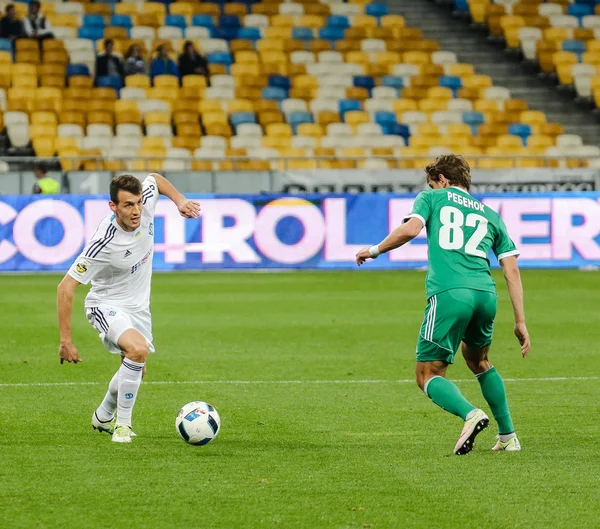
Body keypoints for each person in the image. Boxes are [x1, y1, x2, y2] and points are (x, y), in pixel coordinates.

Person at [356, 154, 531, 455]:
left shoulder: (433, 199)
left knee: (427, 374)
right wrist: (520, 321)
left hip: (450, 293)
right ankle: (508, 436)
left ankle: (470, 414)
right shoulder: (490, 214)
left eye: (433, 183)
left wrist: (374, 250)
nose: (432, 188)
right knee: (478, 360)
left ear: (443, 180)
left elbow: (410, 230)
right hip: (485, 296)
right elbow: (511, 269)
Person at [57, 173, 201, 443]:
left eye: (137, 204)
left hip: (138, 308)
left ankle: (103, 415)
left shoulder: (143, 202)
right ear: (113, 207)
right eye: (127, 205)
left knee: (136, 366)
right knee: (137, 350)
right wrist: (66, 340)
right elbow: (65, 287)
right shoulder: (103, 242)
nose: (136, 211)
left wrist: (179, 200)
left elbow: (155, 179)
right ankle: (123, 426)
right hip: (105, 304)